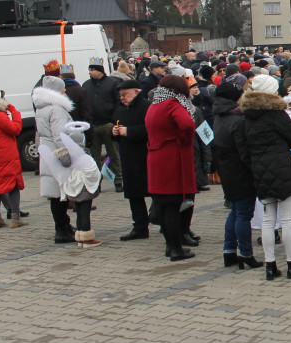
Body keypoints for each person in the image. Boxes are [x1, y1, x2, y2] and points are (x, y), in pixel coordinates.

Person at [242, 74, 291, 280]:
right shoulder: (276, 114)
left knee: (268, 220)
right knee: (287, 219)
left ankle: (270, 266)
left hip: (260, 169)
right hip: (281, 168)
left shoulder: (248, 115)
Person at [145, 75, 198, 262]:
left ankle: (170, 246)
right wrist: (185, 140)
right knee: (173, 207)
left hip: (156, 156)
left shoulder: (154, 104)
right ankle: (176, 248)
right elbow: (187, 124)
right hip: (172, 158)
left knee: (164, 205)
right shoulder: (172, 104)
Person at [211, 81, 263, 269]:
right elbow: (245, 152)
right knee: (243, 214)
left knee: (235, 212)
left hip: (227, 170)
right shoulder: (237, 120)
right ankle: (246, 254)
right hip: (240, 172)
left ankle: (229, 251)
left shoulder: (220, 117)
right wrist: (256, 170)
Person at [37, 121, 102, 247]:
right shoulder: (84, 158)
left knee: (79, 211)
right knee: (85, 211)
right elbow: (93, 172)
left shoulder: (68, 159)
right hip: (85, 187)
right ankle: (86, 238)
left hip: (74, 188)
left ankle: (79, 235)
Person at [33, 76, 77, 243]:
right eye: (63, 88)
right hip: (57, 155)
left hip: (48, 154)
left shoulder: (41, 108)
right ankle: (61, 230)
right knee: (59, 195)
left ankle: (63, 225)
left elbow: (40, 135)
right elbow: (60, 136)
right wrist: (66, 158)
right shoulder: (56, 109)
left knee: (55, 194)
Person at [112, 80, 151, 240]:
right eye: (120, 95)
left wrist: (130, 132)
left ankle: (164, 222)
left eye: (125, 94)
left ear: (136, 91)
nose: (122, 98)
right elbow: (115, 126)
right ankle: (140, 227)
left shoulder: (147, 107)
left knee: (155, 192)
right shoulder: (121, 110)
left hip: (145, 155)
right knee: (134, 195)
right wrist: (113, 132)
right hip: (128, 157)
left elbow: (151, 129)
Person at [83, 58, 124, 191]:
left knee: (113, 154)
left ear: (99, 71)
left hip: (108, 124)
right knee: (94, 156)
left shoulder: (112, 83)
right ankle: (96, 182)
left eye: (92, 69)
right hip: (93, 125)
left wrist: (114, 121)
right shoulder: (86, 85)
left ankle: (118, 180)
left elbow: (118, 103)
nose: (90, 72)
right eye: (89, 69)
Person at [0, 89, 25, 229]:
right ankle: (15, 217)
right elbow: (15, 129)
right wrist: (14, 112)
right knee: (13, 185)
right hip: (5, 155)